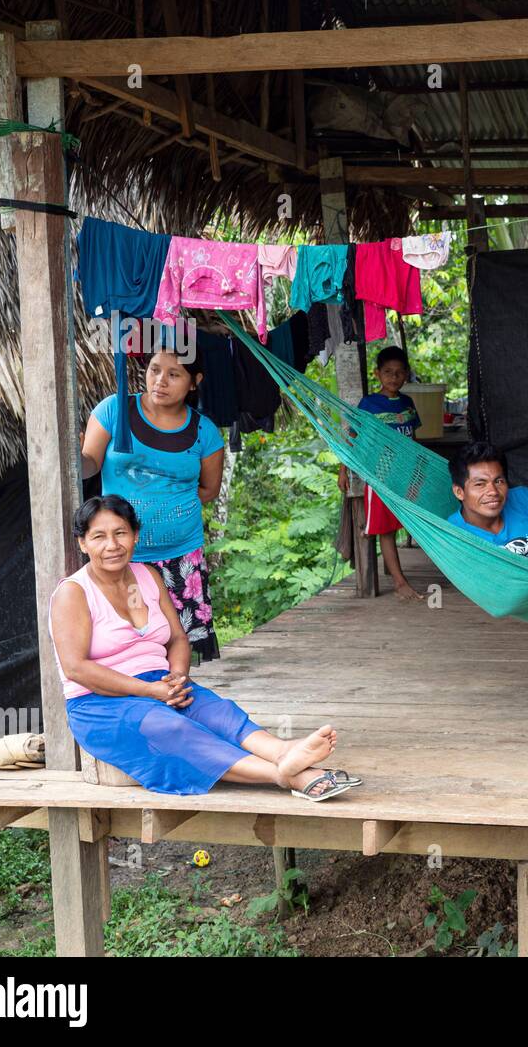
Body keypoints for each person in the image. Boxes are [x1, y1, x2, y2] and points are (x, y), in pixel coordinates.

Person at [49, 496, 358, 800]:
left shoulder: (146, 575)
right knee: (169, 727)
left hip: (161, 682)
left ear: (135, 535)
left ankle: (283, 750)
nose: (112, 545)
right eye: (99, 537)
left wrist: (178, 677)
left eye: (120, 533)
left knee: (216, 711)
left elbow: (177, 639)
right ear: (82, 543)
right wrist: (150, 692)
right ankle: (284, 774)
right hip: (100, 703)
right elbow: (76, 668)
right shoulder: (74, 592)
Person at [81, 342, 225, 662]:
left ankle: (176, 703)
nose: (160, 380)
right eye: (155, 370)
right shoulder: (114, 410)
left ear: (194, 381)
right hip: (121, 556)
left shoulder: (205, 432)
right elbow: (89, 462)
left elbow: (209, 489)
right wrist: (72, 457)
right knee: (129, 644)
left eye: (174, 374)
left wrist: (166, 508)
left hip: (180, 557)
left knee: (180, 647)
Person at [337, 345, 424, 601]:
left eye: (399, 373)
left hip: (406, 474)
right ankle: (399, 582)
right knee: (386, 529)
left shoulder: (408, 403)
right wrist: (343, 471)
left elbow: (413, 439)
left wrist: (418, 471)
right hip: (381, 476)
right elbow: (352, 437)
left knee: (412, 522)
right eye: (388, 372)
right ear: (377, 374)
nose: (393, 377)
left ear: (406, 374)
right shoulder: (369, 404)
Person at [448, 442, 528, 567]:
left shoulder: (523, 498)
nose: (493, 492)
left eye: (499, 481)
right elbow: (492, 587)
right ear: (459, 492)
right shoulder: (455, 535)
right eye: (480, 484)